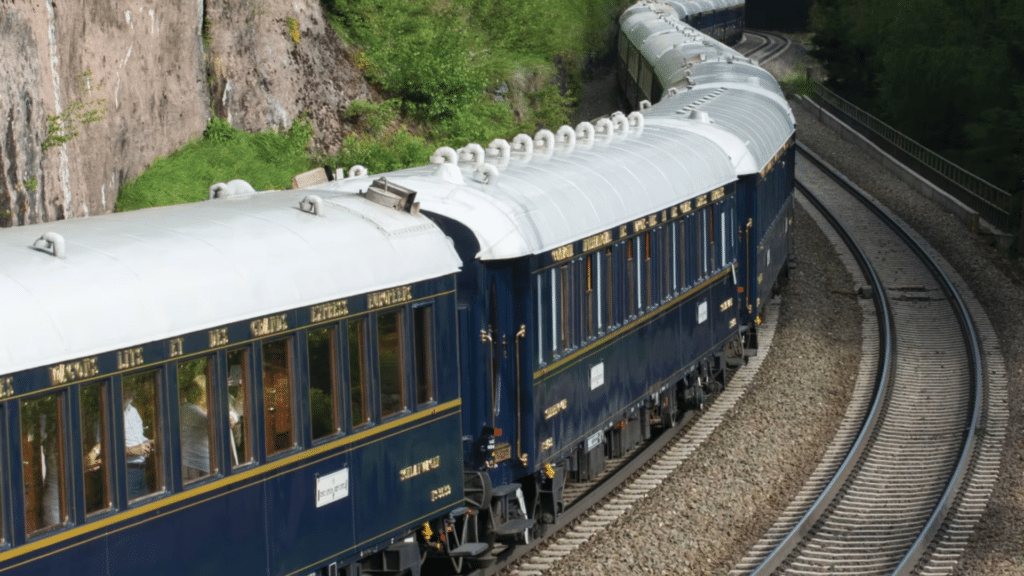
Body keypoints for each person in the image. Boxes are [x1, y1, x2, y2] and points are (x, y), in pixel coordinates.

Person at [124, 386, 153, 500]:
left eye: (129, 395)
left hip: (142, 470)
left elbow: (139, 436)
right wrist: (133, 451)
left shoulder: (133, 411)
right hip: (127, 472)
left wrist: (147, 442)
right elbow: (106, 448)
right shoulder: (108, 415)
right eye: (124, 394)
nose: (128, 396)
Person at [179, 375, 211, 480]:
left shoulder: (192, 409)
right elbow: (213, 423)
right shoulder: (190, 410)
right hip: (193, 464)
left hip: (200, 462)